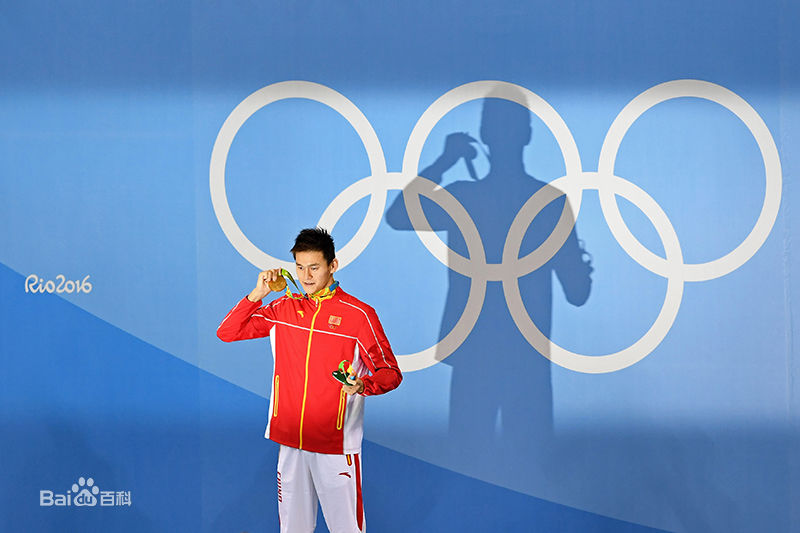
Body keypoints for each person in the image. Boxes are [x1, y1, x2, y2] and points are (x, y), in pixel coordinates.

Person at [217, 227, 402, 533]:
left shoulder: (359, 315)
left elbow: (390, 372)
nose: (306, 276)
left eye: (314, 267)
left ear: (333, 265)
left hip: (335, 446)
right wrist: (258, 294)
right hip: (290, 441)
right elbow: (227, 332)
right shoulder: (283, 309)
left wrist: (362, 386)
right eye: (300, 267)